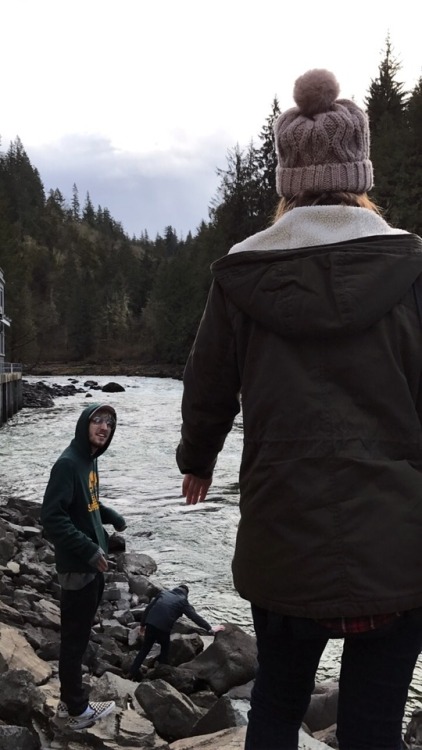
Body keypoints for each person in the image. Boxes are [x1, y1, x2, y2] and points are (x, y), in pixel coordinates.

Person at [176, 68, 422, 750]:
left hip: (282, 530)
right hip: (397, 542)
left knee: (276, 711)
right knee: (376, 726)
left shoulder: (243, 274)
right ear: (360, 169)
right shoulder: (411, 268)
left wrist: (197, 461)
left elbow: (207, 384)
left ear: (289, 179)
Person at [41, 403, 127, 731]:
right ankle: (74, 711)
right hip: (78, 567)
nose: (104, 427)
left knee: (79, 637)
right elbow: (52, 517)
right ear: (84, 424)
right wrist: (90, 549)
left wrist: (110, 515)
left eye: (109, 423)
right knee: (74, 642)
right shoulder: (68, 463)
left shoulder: (88, 461)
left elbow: (87, 502)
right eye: (97, 420)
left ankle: (70, 701)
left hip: (92, 567)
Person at [129, 583, 224, 679]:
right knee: (165, 650)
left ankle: (131, 673)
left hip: (150, 624)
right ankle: (159, 677)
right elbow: (194, 617)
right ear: (186, 594)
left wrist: (142, 625)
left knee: (145, 649)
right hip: (163, 628)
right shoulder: (183, 601)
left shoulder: (163, 593)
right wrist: (209, 628)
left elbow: (148, 608)